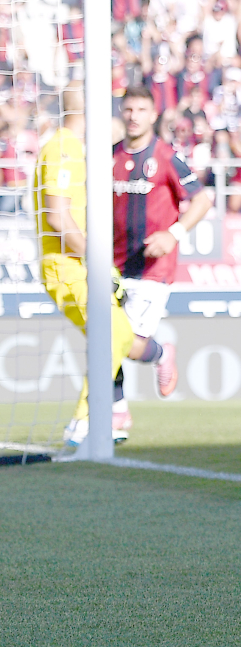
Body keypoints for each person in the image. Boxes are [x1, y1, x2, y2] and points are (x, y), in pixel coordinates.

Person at [34, 87, 136, 447]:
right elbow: (59, 219)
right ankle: (85, 420)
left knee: (120, 333)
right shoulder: (63, 148)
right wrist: (99, 262)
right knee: (112, 333)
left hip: (80, 263)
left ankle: (112, 410)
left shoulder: (75, 148)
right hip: (68, 265)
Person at [113, 86, 211, 425]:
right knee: (103, 340)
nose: (133, 116)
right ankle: (117, 411)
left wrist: (173, 234)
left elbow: (202, 199)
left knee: (122, 341)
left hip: (153, 269)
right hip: (111, 266)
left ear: (153, 115)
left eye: (141, 109)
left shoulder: (166, 156)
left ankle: (160, 352)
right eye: (128, 109)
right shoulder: (108, 156)